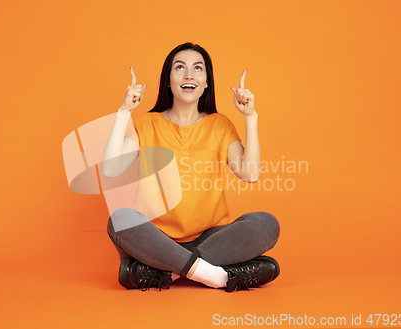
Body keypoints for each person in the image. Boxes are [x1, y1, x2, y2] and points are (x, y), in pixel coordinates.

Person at [102, 42, 280, 292]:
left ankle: (166, 272)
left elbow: (250, 174)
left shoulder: (220, 125)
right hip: (156, 238)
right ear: (168, 81)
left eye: (198, 68)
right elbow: (110, 170)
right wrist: (124, 112)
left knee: (266, 223)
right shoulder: (146, 123)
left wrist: (250, 118)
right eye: (179, 68)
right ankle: (217, 275)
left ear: (206, 82)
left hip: (212, 239)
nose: (189, 75)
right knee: (120, 219)